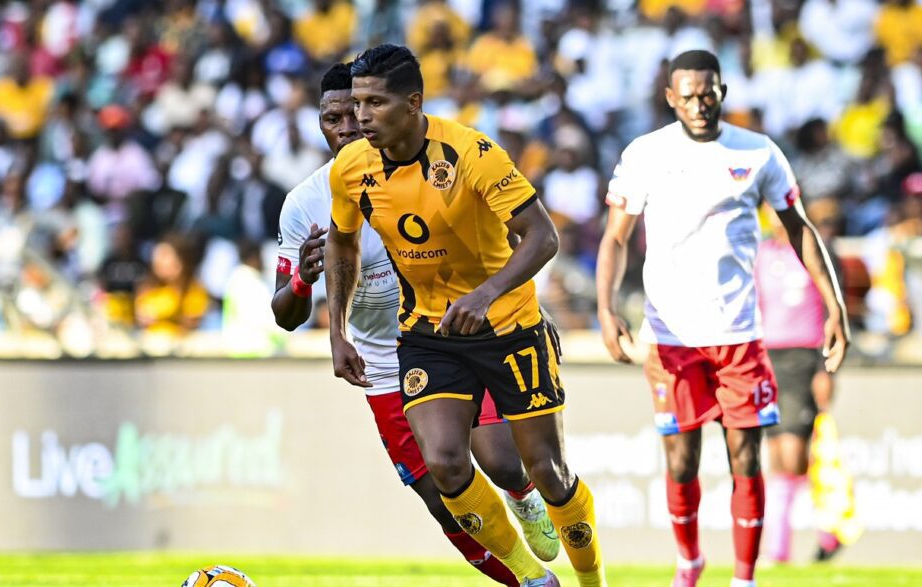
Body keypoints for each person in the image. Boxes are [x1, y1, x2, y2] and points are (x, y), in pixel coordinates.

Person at [325, 46, 606, 587]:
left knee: (546, 472)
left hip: (507, 325)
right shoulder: (351, 167)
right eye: (357, 103)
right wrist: (337, 330)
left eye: (375, 104)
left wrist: (487, 293)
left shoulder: (473, 153)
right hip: (428, 332)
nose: (361, 118)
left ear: (413, 103)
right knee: (447, 463)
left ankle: (593, 581)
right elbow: (342, 244)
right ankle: (534, 581)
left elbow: (542, 236)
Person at [271, 63, 558, 587]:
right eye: (331, 117)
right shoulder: (305, 205)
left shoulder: (437, 166)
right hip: (383, 367)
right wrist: (301, 287)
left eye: (355, 115)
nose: (345, 127)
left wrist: (528, 313)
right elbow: (285, 315)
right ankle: (534, 583)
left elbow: (504, 247)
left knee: (499, 461)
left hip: (452, 341)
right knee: (443, 500)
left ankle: (523, 495)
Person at [595, 50, 850, 587]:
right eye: (686, 95)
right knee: (682, 461)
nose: (698, 104)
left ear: (722, 92)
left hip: (740, 335)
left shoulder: (757, 152)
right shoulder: (646, 154)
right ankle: (689, 560)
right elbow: (615, 238)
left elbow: (799, 227)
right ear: (670, 98)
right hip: (671, 337)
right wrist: (606, 306)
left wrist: (835, 305)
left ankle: (744, 577)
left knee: (745, 456)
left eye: (707, 93)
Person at [754, 207, 858, 563]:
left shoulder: (818, 251)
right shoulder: (761, 254)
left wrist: (825, 370)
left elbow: (835, 313)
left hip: (804, 358)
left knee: (799, 454)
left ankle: (826, 530)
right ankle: (782, 548)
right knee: (777, 456)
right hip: (769, 360)